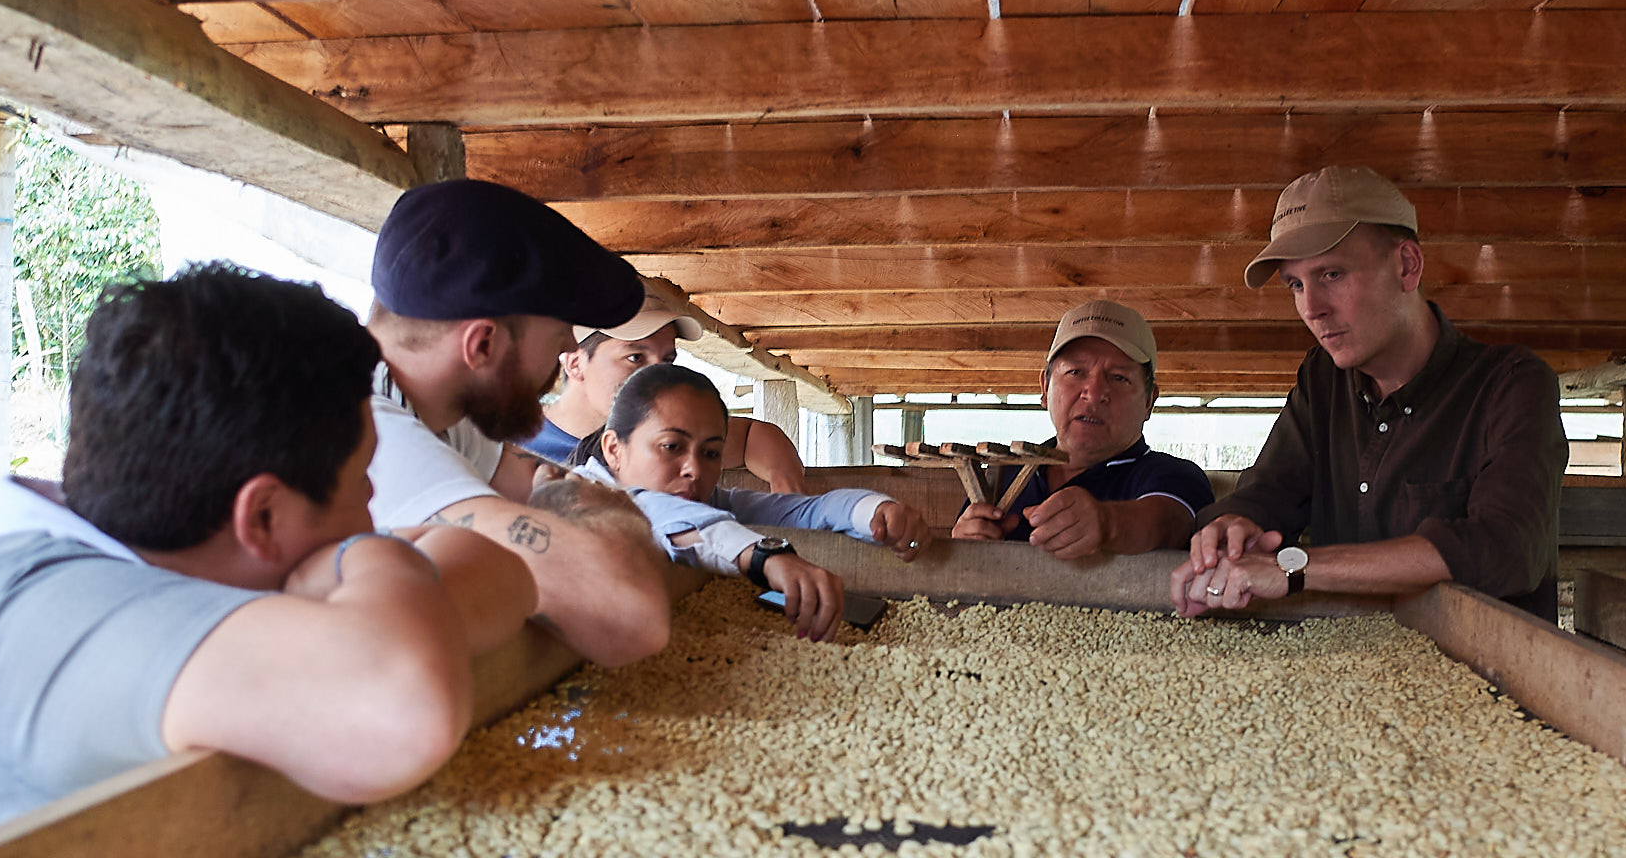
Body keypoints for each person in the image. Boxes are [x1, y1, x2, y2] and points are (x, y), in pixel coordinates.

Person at [0, 266, 537, 858]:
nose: (372, 511)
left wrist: (382, 569)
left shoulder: (139, 552)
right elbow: (399, 711)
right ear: (260, 518)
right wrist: (383, 558)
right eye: (363, 483)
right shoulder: (37, 614)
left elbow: (501, 576)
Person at [1172, 166, 1567, 621]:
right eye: (1296, 285)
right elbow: (1268, 493)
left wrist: (1293, 570)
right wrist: (1232, 529)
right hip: (1345, 674)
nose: (1311, 309)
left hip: (1485, 677)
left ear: (1407, 266)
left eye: (1332, 274)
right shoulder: (1322, 380)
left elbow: (1507, 549)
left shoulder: (1511, 383)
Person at [362, 180, 674, 666]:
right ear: (482, 345)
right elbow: (629, 611)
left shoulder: (442, 416)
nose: (562, 357)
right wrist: (584, 516)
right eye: (557, 337)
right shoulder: (361, 425)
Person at [576, 365, 928, 640]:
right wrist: (763, 556)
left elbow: (801, 510)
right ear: (613, 449)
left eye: (711, 452)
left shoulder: (705, 501)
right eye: (671, 446)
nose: (694, 469)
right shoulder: (581, 495)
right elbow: (653, 512)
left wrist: (875, 513)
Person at [951, 299, 1213, 558]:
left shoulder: (1175, 477)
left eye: (1119, 377)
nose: (1094, 393)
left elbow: (1169, 523)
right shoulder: (1003, 475)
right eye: (1076, 372)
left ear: (1148, 401)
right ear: (1045, 387)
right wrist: (965, 547)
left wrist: (1107, 523)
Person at [510, 296, 807, 490]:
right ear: (575, 363)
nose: (656, 376)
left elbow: (753, 436)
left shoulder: (670, 437)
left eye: (666, 361)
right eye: (635, 357)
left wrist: (789, 492)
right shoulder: (506, 441)